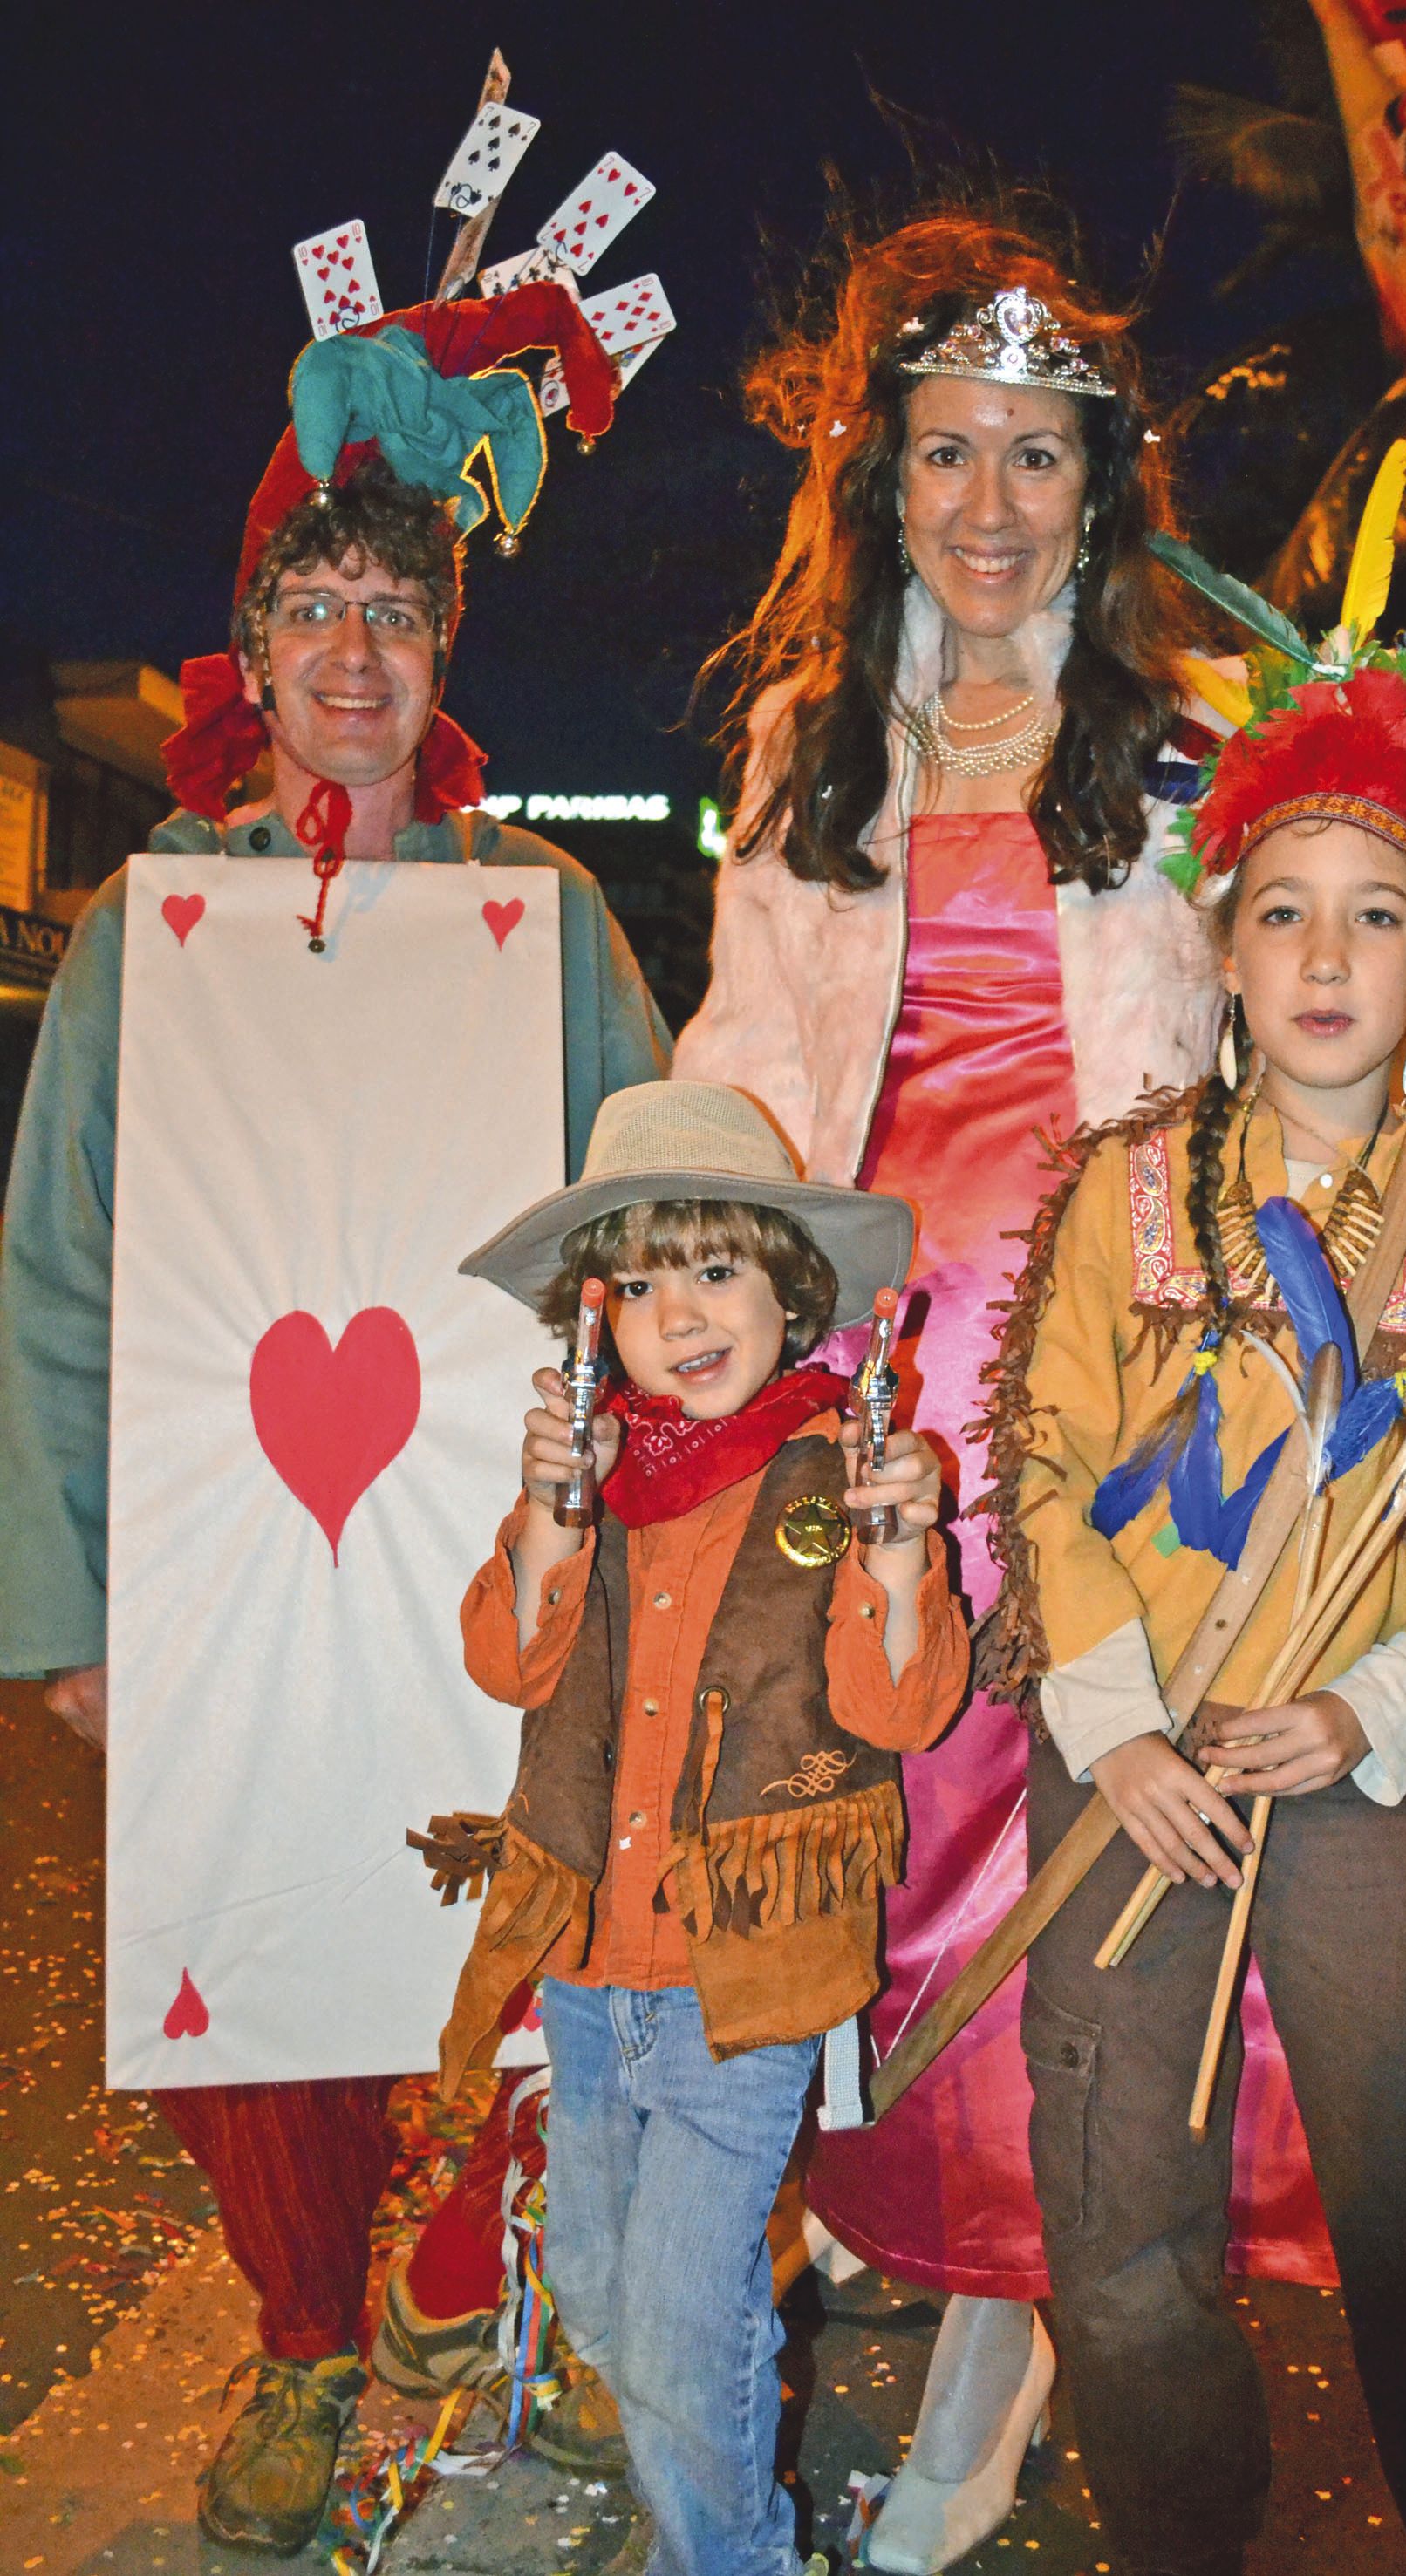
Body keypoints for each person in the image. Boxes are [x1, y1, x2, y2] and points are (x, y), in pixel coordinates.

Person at [0, 285, 668, 2552]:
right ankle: (303, 2338)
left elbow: (655, 1239)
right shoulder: (145, 928)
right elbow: (61, 1281)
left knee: (500, 1950)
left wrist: (640, 1509)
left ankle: (474, 2310)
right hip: (232, 1569)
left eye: (397, 603)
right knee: (263, 1961)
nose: (357, 647)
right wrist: (68, 1604)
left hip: (492, 1565)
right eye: (317, 604)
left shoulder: (547, 921)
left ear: (440, 643)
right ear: (255, 648)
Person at [982, 494, 1406, 2573]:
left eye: (1375, 913)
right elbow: (1051, 1451)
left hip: (1337, 1776)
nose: (1327, 956)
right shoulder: (1124, 1190)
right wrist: (1123, 1730)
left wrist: (1365, 1710)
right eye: (1282, 910)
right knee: (1122, 2243)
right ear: (1221, 936)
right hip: (1133, 1781)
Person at [674, 206, 1245, 2566]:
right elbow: (738, 1059)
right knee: (851, 1847)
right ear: (880, 481)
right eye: (946, 455)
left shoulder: (1190, 748)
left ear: (1096, 489)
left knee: (1058, 1891)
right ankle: (858, 2211)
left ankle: (989, 2376)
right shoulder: (812, 746)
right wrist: (672, 1290)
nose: (990, 503)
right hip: (866, 1374)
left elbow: (1309, 1039)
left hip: (1105, 1389)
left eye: (1035, 456)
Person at [437, 1079, 971, 2576]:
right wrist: (548, 1511)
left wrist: (901, 1549)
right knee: (613, 2301)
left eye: (717, 1268)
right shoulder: (598, 1479)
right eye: (641, 1282)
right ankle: (722, 2490)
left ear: (791, 1290)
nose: (680, 1313)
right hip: (591, 1979)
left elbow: (900, 1709)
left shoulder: (835, 1477)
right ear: (592, 1317)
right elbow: (508, 1661)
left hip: (744, 1989)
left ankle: (728, 2557)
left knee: (678, 2324)